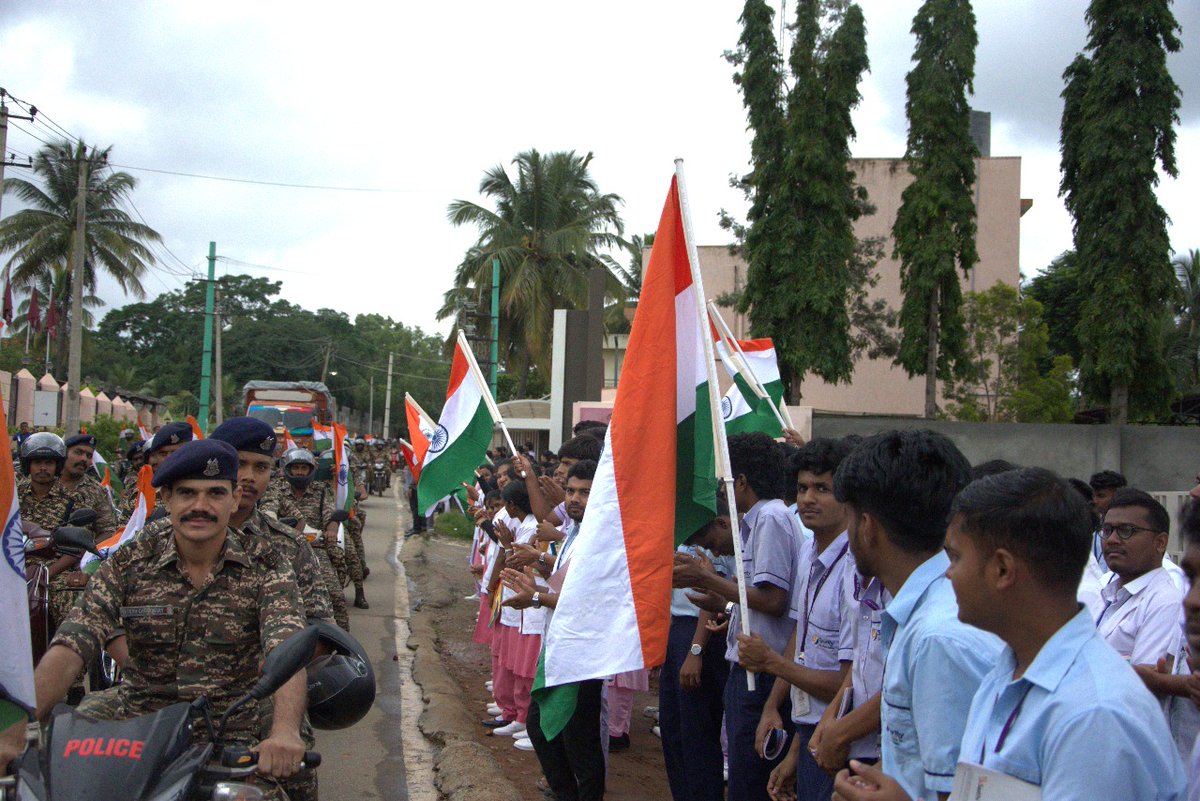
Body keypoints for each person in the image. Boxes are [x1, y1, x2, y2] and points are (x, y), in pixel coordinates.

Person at [832, 467, 1186, 801]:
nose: (948, 576)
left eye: (955, 558)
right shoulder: (1008, 672)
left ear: (1002, 569)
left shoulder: (1094, 714)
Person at [34, 440, 309, 801]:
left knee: (284, 789)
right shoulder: (131, 560)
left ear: (234, 496)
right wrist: (14, 726)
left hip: (225, 731)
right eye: (187, 493)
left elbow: (286, 648)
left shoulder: (268, 565)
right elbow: (73, 642)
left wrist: (285, 733)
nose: (200, 506)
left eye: (214, 493)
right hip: (137, 727)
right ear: (166, 498)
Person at [832, 429, 1000, 801]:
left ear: (866, 526)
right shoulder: (929, 612)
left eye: (848, 518)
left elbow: (961, 790)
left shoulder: (938, 637)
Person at [674, 432, 803, 801]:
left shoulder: (771, 518)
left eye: (726, 476)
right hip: (749, 668)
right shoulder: (757, 519)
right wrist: (722, 600)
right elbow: (751, 598)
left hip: (762, 673)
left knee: (749, 783)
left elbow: (774, 600)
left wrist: (705, 577)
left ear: (741, 480)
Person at [739, 437, 857, 801]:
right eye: (803, 488)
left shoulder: (856, 568)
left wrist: (771, 662)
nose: (808, 498)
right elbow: (799, 639)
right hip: (806, 727)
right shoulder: (809, 551)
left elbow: (845, 682)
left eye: (823, 488)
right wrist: (775, 708)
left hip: (840, 738)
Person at [502, 460, 605, 801]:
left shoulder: (599, 537)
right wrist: (539, 560)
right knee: (541, 726)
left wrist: (535, 598)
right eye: (572, 491)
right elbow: (565, 579)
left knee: (580, 740)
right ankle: (565, 793)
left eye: (585, 492)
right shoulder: (575, 530)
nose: (574, 499)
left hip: (582, 650)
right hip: (559, 643)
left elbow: (583, 599)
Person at [661, 494, 734, 801]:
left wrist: (695, 650)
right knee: (673, 727)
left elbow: (711, 593)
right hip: (678, 629)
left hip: (703, 633)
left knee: (697, 731)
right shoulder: (686, 523)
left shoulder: (714, 533)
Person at [1096, 489, 1183, 680]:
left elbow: (1139, 686)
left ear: (1160, 542)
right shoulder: (1106, 593)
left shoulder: (1164, 601)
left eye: (1126, 531)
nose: (1112, 540)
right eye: (1107, 530)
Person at [262, 448, 350, 631]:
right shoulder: (275, 489)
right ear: (288, 469)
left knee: (336, 596)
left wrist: (331, 531)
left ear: (311, 470)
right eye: (296, 468)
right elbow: (268, 511)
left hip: (314, 545)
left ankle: (344, 646)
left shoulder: (321, 490)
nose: (300, 472)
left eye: (304, 468)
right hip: (280, 548)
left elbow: (329, 515)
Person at [18, 433, 93, 632]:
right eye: (37, 462)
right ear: (28, 465)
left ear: (57, 466)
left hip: (54, 571)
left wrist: (45, 575)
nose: (43, 468)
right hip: (12, 568)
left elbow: (76, 547)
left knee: (70, 603)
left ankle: (71, 659)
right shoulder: (11, 497)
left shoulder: (73, 499)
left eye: (49, 462)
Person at [117, 421, 193, 516]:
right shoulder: (140, 496)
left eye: (175, 452)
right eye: (163, 453)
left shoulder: (204, 487)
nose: (169, 458)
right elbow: (124, 528)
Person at [58, 433, 118, 536]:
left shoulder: (96, 490)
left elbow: (107, 532)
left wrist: (88, 551)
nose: (84, 459)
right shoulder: (47, 481)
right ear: (64, 453)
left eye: (89, 456)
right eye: (78, 452)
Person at [1087, 469, 1127, 572]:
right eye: (1093, 496)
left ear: (1118, 496)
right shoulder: (1095, 533)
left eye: (1101, 496)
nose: (1095, 501)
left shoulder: (1131, 532)